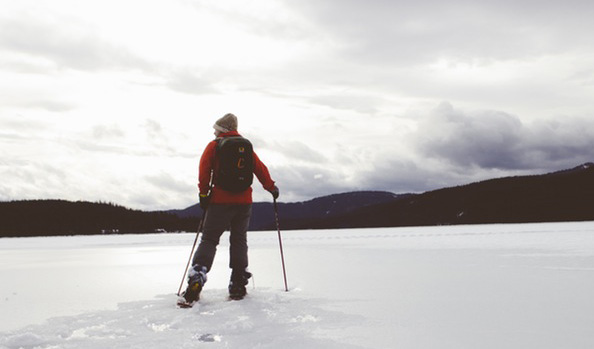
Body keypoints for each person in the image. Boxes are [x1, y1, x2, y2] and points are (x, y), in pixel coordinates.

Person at [181, 113, 279, 302]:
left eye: (216, 129)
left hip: (220, 201)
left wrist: (203, 194)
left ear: (222, 129)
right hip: (244, 202)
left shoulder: (215, 145)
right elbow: (259, 168)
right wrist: (271, 187)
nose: (214, 132)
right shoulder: (245, 146)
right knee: (239, 240)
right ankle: (238, 282)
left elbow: (204, 170)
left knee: (209, 239)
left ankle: (198, 276)